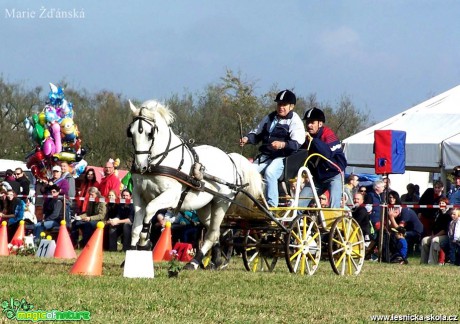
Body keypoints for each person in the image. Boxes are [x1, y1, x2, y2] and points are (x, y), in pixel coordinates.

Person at [239, 89, 305, 207]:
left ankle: (271, 205)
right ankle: (246, 203)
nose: (281, 107)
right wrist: (247, 139)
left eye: (284, 105)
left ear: (292, 106)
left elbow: (296, 144)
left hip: (284, 158)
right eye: (279, 104)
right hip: (266, 156)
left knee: (270, 172)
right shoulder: (270, 117)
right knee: (248, 172)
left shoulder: (295, 121)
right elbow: (257, 133)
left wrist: (282, 144)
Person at [299, 107, 347, 208]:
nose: (309, 125)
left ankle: (336, 222)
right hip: (318, 179)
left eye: (312, 122)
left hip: (334, 176)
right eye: (307, 122)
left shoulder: (328, 134)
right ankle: (294, 222)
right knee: (298, 204)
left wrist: (313, 140)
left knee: (334, 207)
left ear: (320, 124)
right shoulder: (306, 138)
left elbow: (327, 154)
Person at [420, 197, 451, 264]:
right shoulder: (437, 213)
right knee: (424, 240)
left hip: (444, 236)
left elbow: (445, 230)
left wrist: (435, 236)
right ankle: (423, 262)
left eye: (443, 203)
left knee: (434, 240)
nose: (441, 204)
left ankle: (432, 262)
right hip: (435, 234)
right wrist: (432, 235)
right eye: (439, 203)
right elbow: (433, 227)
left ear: (446, 204)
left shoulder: (448, 215)